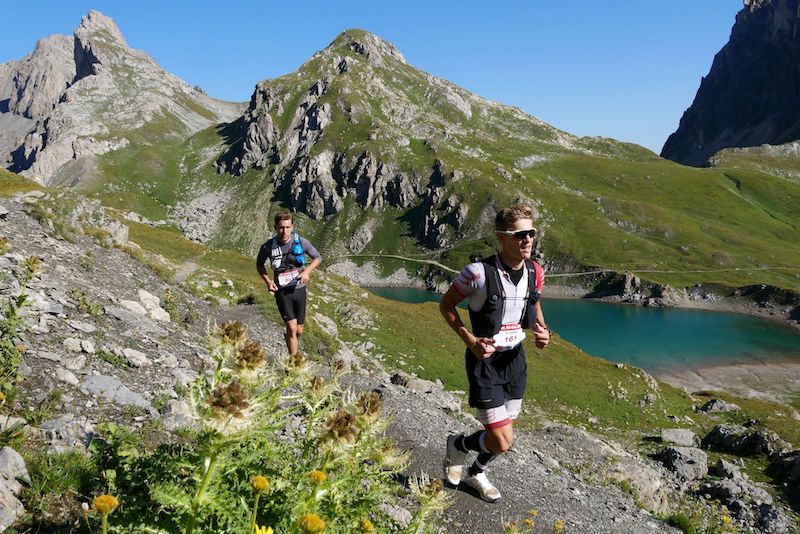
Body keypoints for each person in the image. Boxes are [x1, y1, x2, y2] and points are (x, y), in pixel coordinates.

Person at [439, 204, 550, 502]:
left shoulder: (535, 271)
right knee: (502, 440)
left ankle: (476, 471)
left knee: (503, 437)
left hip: (515, 361)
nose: (528, 240)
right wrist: (470, 339)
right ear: (502, 237)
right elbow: (446, 306)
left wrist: (543, 329)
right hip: (484, 362)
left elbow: (534, 301)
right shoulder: (477, 273)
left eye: (532, 233)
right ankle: (459, 444)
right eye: (520, 234)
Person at [256, 211, 322, 356]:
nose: (284, 231)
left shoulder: (301, 242)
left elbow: (317, 258)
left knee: (299, 330)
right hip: (282, 291)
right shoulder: (268, 247)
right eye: (281, 227)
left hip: (299, 289)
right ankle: (293, 365)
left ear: (292, 226)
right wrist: (268, 281)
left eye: (287, 227)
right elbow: (259, 264)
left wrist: (307, 272)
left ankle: (289, 339)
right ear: (275, 227)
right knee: (292, 328)